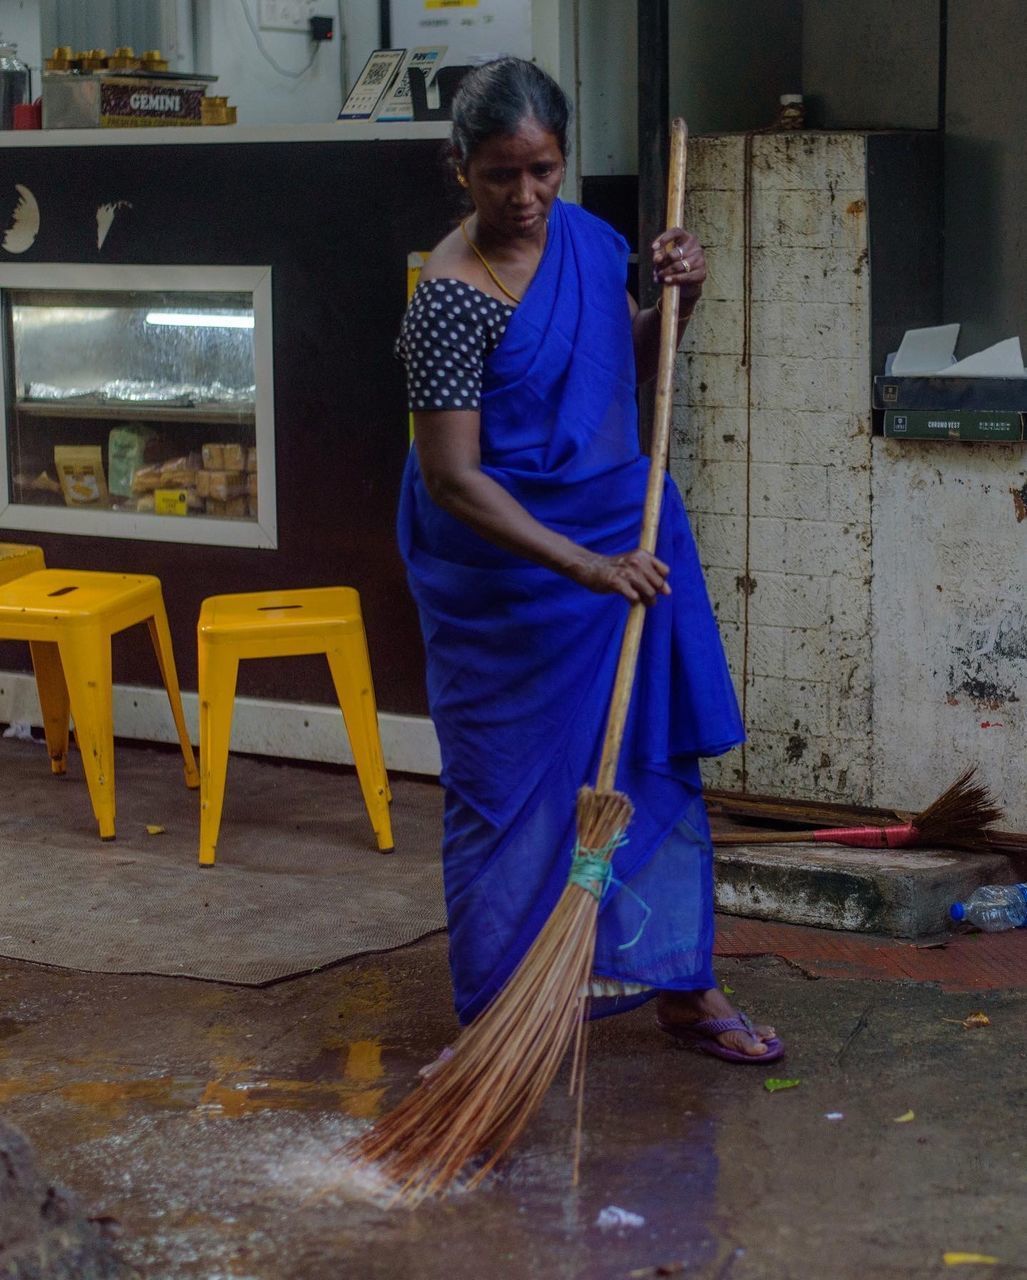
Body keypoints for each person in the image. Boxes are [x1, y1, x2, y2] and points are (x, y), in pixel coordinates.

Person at [396, 57, 783, 1063]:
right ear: (459, 168)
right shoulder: (447, 300)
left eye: (544, 171)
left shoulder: (590, 246)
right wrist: (580, 566)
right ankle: (496, 1021)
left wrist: (680, 301)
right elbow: (453, 480)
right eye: (499, 176)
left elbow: (632, 367)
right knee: (502, 796)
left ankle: (681, 988)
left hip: (616, 545)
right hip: (508, 584)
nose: (525, 198)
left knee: (648, 764)